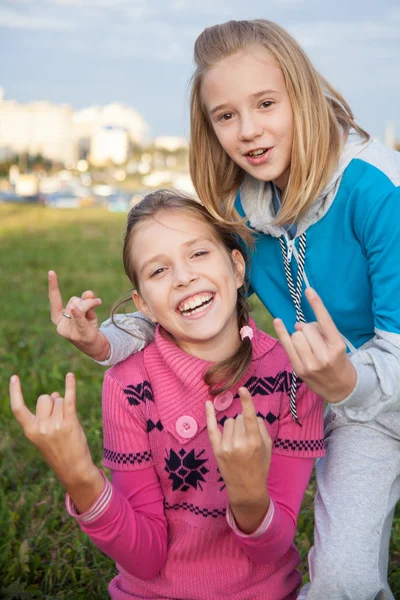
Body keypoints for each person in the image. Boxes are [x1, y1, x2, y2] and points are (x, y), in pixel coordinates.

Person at [49, 19, 400, 599]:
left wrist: (346, 379)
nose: (249, 131)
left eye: (265, 103)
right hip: (345, 406)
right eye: (226, 115)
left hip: (374, 383)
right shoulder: (247, 207)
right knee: (343, 581)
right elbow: (191, 299)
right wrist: (104, 341)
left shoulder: (377, 189)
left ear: (303, 96)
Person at [12, 191, 326, 600]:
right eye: (159, 270)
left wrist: (249, 494)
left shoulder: (293, 376)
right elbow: (144, 559)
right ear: (144, 304)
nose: (183, 277)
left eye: (198, 254)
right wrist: (80, 477)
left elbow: (272, 547)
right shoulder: (127, 386)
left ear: (235, 267)